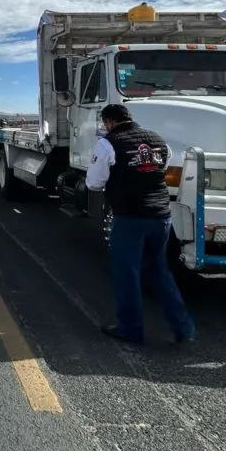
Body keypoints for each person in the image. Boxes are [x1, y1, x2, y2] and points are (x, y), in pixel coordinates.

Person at [85, 103, 195, 344]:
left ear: (109, 122)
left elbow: (94, 182)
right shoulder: (158, 139)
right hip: (161, 217)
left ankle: (130, 328)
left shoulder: (108, 143)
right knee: (159, 271)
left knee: (127, 273)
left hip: (130, 217)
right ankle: (184, 328)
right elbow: (161, 169)